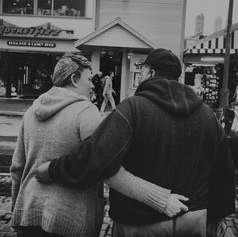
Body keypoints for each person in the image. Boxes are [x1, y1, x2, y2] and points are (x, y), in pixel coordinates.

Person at [35, 48, 235, 236]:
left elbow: (97, 157)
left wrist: (53, 169)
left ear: (151, 73)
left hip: (139, 222)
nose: (140, 74)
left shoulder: (133, 109)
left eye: (143, 69)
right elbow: (223, 171)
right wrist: (214, 216)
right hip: (193, 219)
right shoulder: (207, 115)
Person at [10, 53, 189, 237]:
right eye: (89, 79)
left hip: (28, 212)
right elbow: (106, 169)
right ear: (74, 79)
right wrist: (161, 200)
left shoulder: (31, 112)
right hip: (68, 220)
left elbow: (17, 168)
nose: (93, 84)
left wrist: (16, 210)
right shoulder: (86, 112)